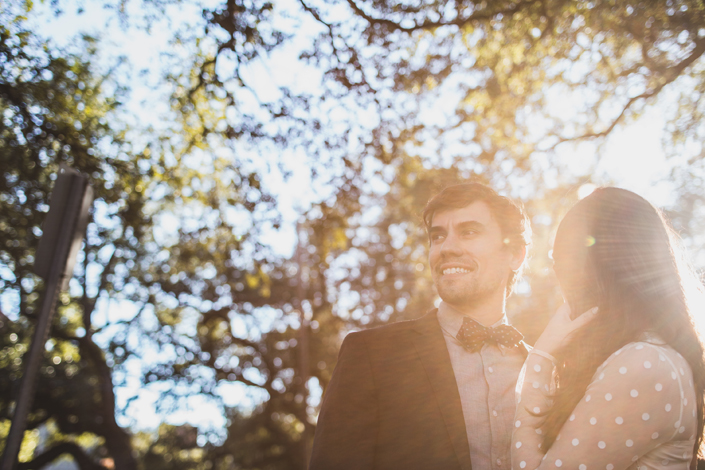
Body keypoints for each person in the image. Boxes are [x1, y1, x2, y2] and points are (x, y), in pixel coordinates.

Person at [309, 182, 532, 470]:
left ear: (515, 253)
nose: (447, 248)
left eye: (469, 232)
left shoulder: (546, 371)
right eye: (437, 236)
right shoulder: (371, 355)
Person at [512, 187, 705, 470]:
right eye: (555, 261)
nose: (559, 274)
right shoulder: (643, 357)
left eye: (567, 258)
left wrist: (540, 357)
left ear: (613, 261)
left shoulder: (645, 363)